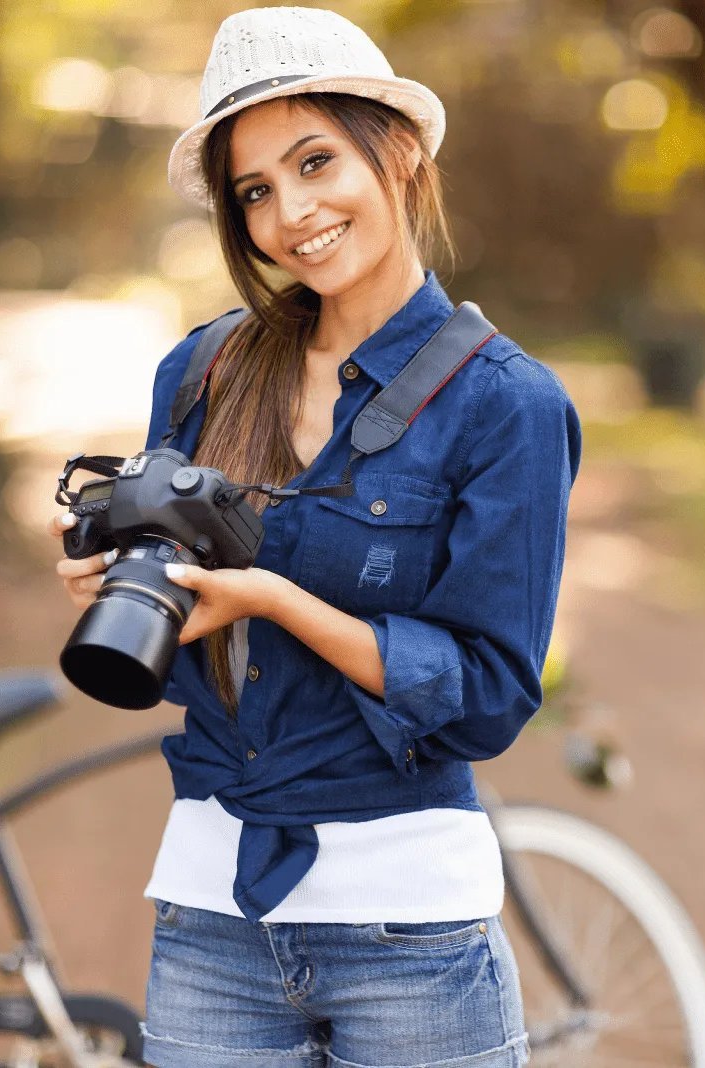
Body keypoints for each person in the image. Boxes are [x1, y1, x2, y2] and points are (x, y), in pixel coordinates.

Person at [47, 8, 580, 1067]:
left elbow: (487, 699)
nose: (292, 213)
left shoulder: (505, 407)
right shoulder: (202, 372)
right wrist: (129, 595)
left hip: (410, 936)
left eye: (314, 161)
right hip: (209, 923)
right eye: (255, 190)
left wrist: (276, 599)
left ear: (400, 149)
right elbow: (179, 674)